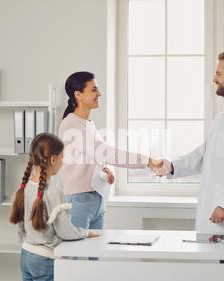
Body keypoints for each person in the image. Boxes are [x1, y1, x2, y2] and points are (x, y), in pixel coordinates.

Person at [156, 51, 224, 234]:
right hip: (215, 216)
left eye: (218, 73)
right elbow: (205, 154)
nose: (214, 78)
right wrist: (172, 167)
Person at [58, 71, 162, 230]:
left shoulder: (87, 124)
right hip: (80, 200)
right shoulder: (71, 124)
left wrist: (104, 170)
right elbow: (106, 152)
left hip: (95, 199)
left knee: (95, 252)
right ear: (78, 95)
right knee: (75, 253)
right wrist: (147, 161)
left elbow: (94, 156)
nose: (99, 93)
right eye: (93, 90)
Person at [9, 133, 99, 281]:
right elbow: (65, 231)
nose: (63, 162)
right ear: (53, 160)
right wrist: (87, 232)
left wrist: (29, 243)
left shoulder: (23, 189)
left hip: (26, 255)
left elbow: (19, 229)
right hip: (44, 259)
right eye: (62, 157)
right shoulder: (54, 192)